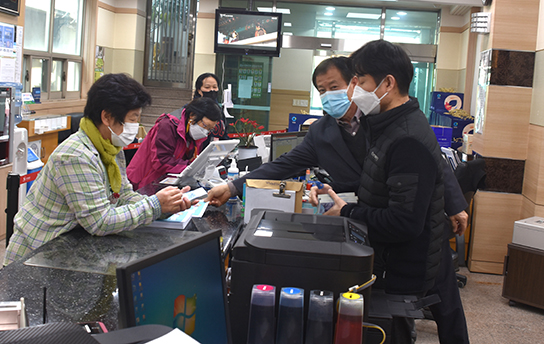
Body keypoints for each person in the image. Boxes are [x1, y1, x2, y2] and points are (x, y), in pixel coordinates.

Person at [205, 56, 469, 343]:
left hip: (411, 218)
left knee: (446, 303)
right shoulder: (321, 131)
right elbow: (283, 164)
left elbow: (431, 157)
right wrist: (232, 186)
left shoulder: (380, 116)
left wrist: (456, 204)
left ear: (354, 83)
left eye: (334, 86)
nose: (328, 95)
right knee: (390, 308)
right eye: (321, 90)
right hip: (365, 226)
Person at [320, 40, 466, 343]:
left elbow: (403, 222)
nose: (353, 88)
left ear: (388, 83)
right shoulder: (388, 125)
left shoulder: (407, 138)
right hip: (392, 257)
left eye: (360, 80)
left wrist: (346, 211)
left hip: (403, 266)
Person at [4, 74, 192, 265]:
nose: (135, 127)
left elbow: (123, 196)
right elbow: (99, 221)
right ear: (107, 117)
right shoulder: (75, 155)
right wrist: (154, 205)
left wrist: (167, 205)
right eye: (132, 119)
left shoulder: (109, 148)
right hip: (36, 257)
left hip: (70, 247)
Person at [127, 96, 222, 190]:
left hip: (165, 183)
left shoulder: (192, 132)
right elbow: (161, 161)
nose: (205, 132)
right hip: (143, 182)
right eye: (205, 126)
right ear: (192, 115)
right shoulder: (167, 125)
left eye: (210, 129)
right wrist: (190, 168)